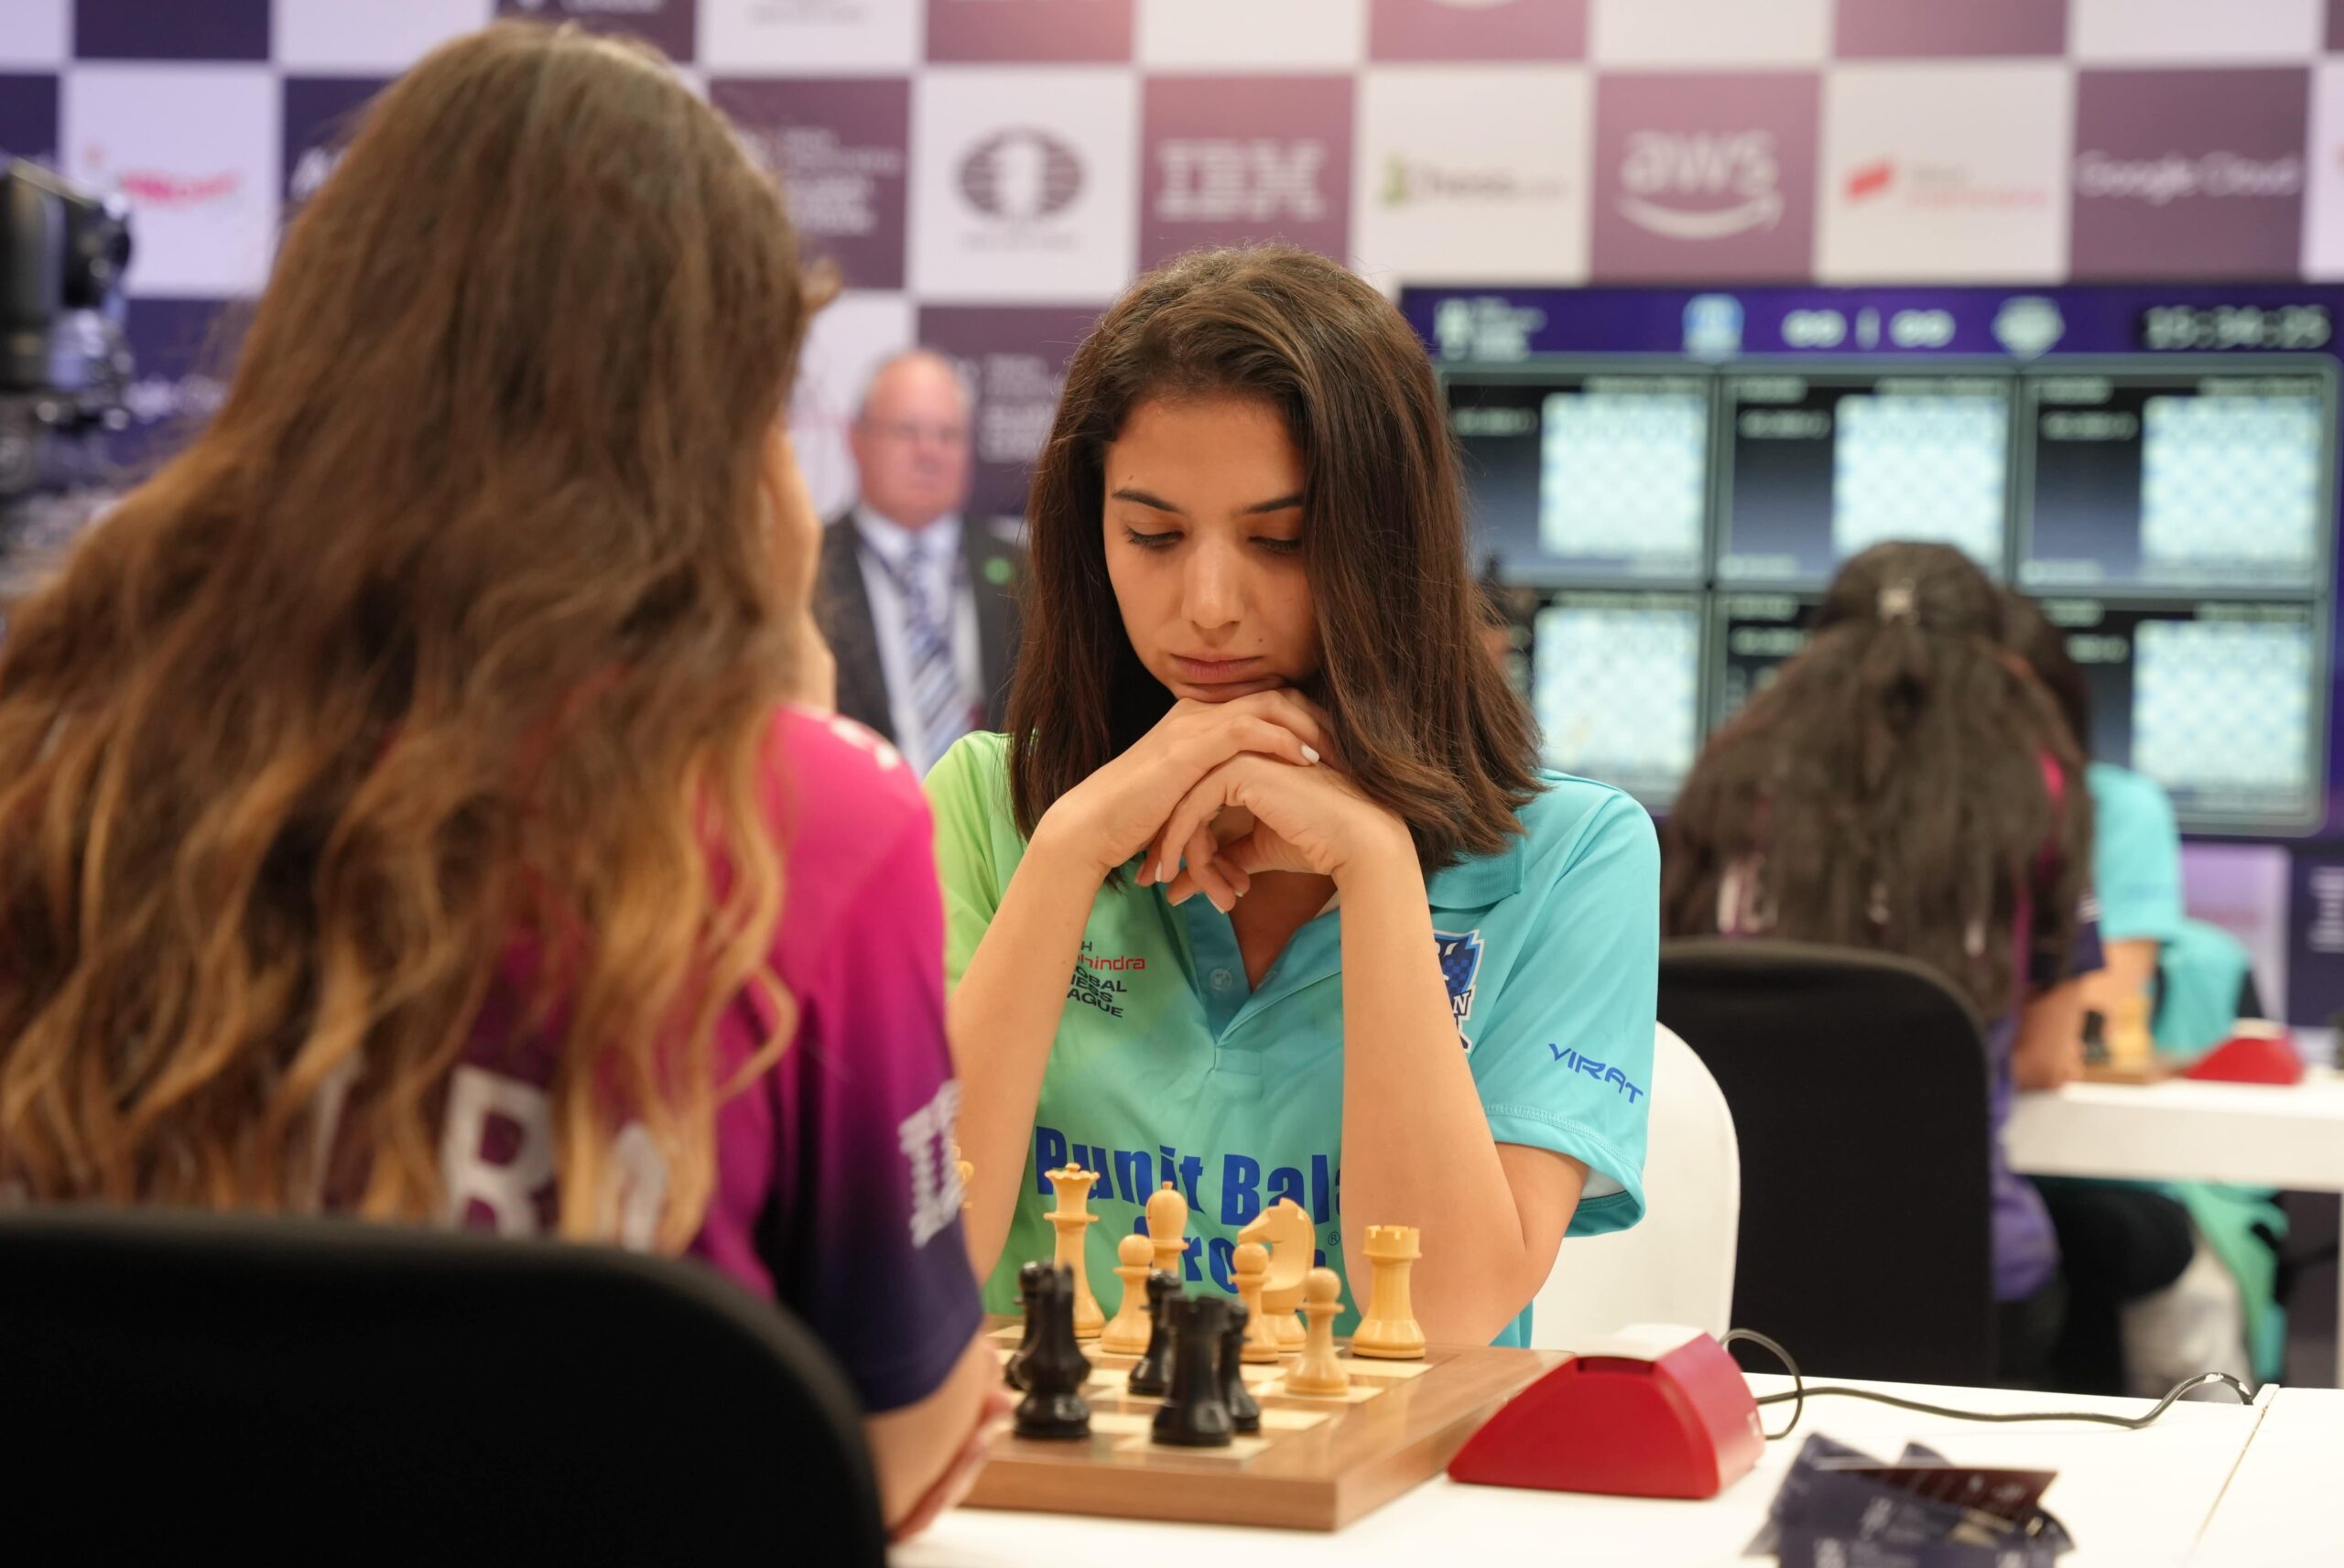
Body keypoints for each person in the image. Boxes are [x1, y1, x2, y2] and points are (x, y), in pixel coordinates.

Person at [0, 25, 996, 1536]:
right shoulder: (821, 824)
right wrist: (781, 688)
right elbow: (893, 1437)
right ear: (723, 426)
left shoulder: (55, 756)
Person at [928, 246, 1657, 1347]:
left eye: (1280, 540)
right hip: (1045, 1501)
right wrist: (1072, 847)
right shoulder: (995, 807)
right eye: (1153, 536)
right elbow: (912, 1269)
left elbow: (1452, 1312)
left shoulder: (1568, 851)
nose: (1208, 605)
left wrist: (1372, 869)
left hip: (1390, 1508)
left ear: (1386, 543)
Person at [1661, 542, 2100, 1385]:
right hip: (1959, 1275)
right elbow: (2047, 1054)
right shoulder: (2037, 792)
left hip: (1722, 1264)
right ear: (1991, 655)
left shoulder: (1725, 778)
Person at [2003, 592, 2281, 1393]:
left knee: (2090, 1237)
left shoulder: (2110, 810)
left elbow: (2085, 1019)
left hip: (2089, 1167)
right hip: (1955, 1155)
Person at [816, 351, 1023, 774]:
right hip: (855, 822)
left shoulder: (1028, 574)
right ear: (857, 440)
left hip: (997, 830)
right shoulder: (803, 574)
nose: (929, 453)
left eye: (948, 435)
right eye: (907, 432)